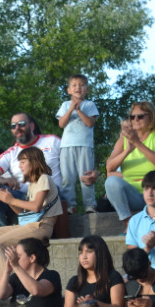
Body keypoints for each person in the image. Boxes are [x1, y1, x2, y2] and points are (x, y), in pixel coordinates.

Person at [0, 147, 62, 291]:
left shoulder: (44, 178)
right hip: (29, 225)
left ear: (34, 162)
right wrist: (7, 200)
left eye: (23, 162)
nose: (20, 166)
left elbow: (36, 207)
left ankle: (1, 287)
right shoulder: (33, 184)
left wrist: (11, 200)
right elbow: (23, 213)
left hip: (41, 226)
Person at [104, 101, 155, 221]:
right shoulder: (124, 138)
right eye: (132, 117)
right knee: (111, 182)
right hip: (132, 194)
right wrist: (127, 151)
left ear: (151, 117)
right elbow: (109, 167)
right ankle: (128, 222)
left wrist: (137, 143)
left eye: (140, 116)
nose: (135, 120)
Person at [0, 113, 62, 207]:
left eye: (21, 124)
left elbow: (71, 163)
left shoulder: (52, 141)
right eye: (13, 126)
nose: (17, 128)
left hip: (50, 194)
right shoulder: (11, 152)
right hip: (22, 197)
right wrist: (1, 179)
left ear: (32, 126)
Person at [63, 235, 130, 307]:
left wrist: (95, 304)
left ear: (100, 254)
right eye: (81, 253)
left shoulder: (113, 277)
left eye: (89, 252)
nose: (84, 256)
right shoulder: (74, 282)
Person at [56, 73, 100, 213]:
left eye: (82, 85)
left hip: (85, 146)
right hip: (66, 146)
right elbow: (61, 124)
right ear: (69, 90)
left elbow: (90, 123)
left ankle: (89, 205)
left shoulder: (89, 104)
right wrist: (71, 109)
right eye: (74, 85)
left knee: (86, 176)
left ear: (87, 89)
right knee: (67, 178)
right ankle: (70, 206)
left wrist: (78, 110)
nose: (78, 88)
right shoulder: (65, 105)